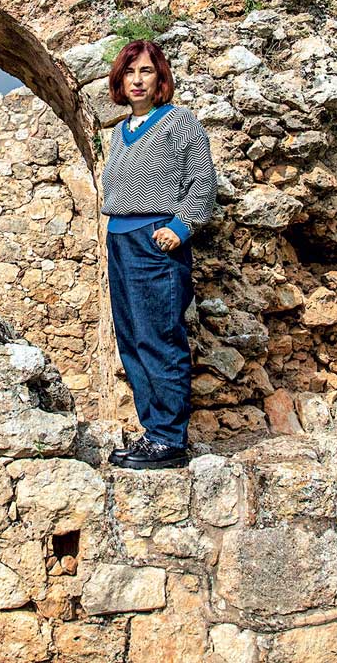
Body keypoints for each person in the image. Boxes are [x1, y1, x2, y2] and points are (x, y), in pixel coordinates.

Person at [99, 39, 217, 469]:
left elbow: (202, 183)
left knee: (158, 338)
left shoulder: (179, 122)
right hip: (120, 240)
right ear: (119, 80)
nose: (136, 80)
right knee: (131, 340)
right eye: (129, 72)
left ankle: (170, 439)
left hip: (156, 241)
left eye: (146, 71)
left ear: (160, 77)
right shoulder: (119, 132)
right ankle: (153, 435)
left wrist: (179, 228)